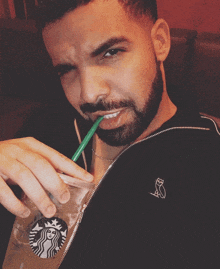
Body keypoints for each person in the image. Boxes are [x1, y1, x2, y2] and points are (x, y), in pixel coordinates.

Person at [0, 0, 220, 267]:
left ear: (159, 41)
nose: (88, 94)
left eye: (110, 53)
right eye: (67, 69)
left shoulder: (208, 163)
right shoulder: (44, 129)